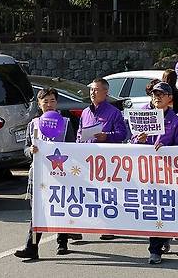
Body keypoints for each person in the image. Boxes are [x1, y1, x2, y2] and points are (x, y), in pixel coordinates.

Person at [15, 88, 75, 260]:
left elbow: (73, 149)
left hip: (61, 174)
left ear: (57, 103)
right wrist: (30, 150)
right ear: (39, 104)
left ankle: (62, 241)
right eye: (45, 101)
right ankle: (32, 248)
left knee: (62, 207)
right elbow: (25, 149)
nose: (49, 104)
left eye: (52, 101)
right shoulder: (33, 124)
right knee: (37, 212)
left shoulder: (66, 123)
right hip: (39, 174)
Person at [133, 82, 178, 264]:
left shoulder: (176, 121)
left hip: (167, 173)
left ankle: (160, 242)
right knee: (151, 209)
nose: (157, 97)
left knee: (164, 209)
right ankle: (157, 245)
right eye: (155, 94)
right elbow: (130, 140)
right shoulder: (143, 115)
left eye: (162, 94)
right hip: (145, 171)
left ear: (169, 98)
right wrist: (138, 139)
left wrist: (167, 149)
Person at [77, 78, 127, 241]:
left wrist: (107, 136)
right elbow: (79, 133)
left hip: (107, 161)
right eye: (91, 89)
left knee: (107, 194)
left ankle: (110, 227)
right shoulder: (85, 112)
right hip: (87, 160)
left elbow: (122, 134)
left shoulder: (114, 112)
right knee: (88, 193)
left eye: (96, 90)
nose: (92, 92)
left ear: (105, 93)